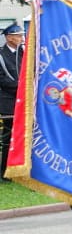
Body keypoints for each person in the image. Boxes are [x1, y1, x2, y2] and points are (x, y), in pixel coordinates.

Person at [0, 24, 24, 180]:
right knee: (9, 138)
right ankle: (5, 172)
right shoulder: (1, 55)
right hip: (9, 101)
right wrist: (21, 88)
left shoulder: (25, 54)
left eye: (22, 35)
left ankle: (21, 170)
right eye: (18, 35)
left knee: (25, 136)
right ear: (9, 37)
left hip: (25, 100)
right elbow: (2, 79)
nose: (21, 38)